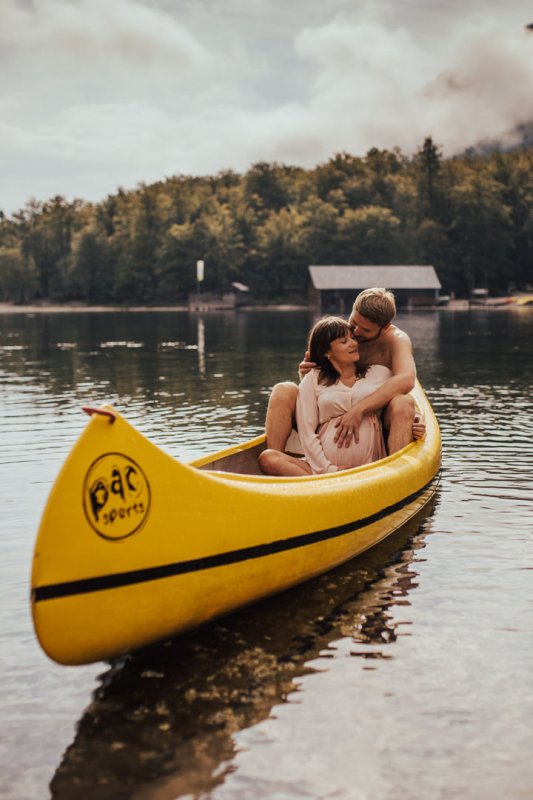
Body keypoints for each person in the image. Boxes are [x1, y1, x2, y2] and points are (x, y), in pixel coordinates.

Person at [264, 288, 424, 458]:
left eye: (365, 330)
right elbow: (317, 386)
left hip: (374, 418)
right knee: (283, 390)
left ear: (384, 327)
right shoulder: (341, 333)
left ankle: (394, 475)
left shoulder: (397, 340)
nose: (355, 332)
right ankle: (274, 463)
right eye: (353, 322)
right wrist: (305, 374)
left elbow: (406, 380)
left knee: (403, 403)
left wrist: (413, 415)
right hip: (327, 416)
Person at [259, 316, 393, 476]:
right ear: (327, 352)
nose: (354, 344)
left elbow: (402, 399)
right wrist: (329, 470)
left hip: (368, 468)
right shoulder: (313, 379)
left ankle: (317, 486)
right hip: (322, 470)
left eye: (353, 338)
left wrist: (416, 419)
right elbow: (307, 433)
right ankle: (323, 483)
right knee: (268, 458)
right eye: (344, 342)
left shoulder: (379, 373)